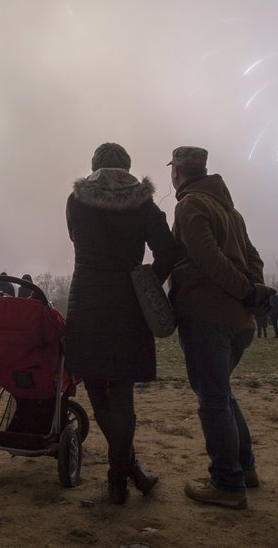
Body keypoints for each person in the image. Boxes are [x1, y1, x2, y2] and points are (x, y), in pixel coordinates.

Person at [65, 142, 177, 505]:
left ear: (93, 165)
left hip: (87, 298)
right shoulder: (144, 202)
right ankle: (123, 475)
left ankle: (124, 475)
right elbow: (169, 251)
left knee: (96, 385)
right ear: (128, 167)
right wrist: (146, 280)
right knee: (123, 393)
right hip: (127, 302)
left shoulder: (76, 201)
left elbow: (75, 239)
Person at [167, 146, 269, 510]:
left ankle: (227, 483)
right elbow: (253, 257)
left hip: (207, 316)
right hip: (240, 321)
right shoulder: (232, 211)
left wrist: (245, 291)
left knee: (213, 400)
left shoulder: (190, 205)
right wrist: (252, 291)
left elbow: (206, 257)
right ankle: (245, 469)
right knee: (222, 394)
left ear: (176, 172)